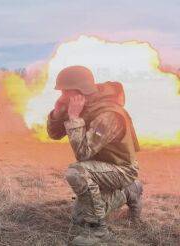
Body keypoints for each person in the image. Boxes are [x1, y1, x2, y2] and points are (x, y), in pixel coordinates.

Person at [47, 66, 143, 245]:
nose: (62, 95)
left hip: (121, 169)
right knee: (79, 218)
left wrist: (74, 117)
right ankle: (130, 191)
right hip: (100, 167)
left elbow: (83, 153)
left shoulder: (108, 114)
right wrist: (58, 112)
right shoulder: (84, 104)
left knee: (77, 172)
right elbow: (54, 134)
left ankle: (98, 232)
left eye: (65, 91)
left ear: (79, 91)